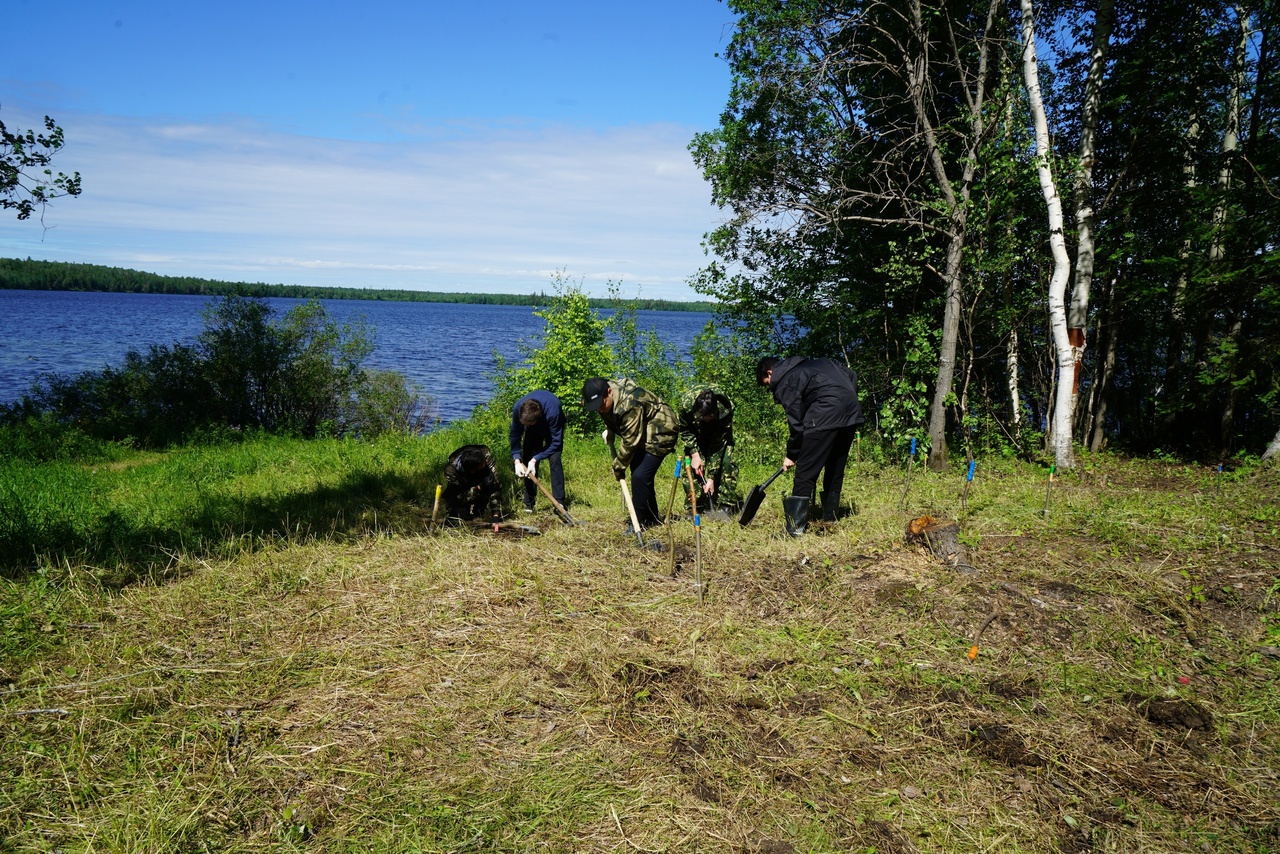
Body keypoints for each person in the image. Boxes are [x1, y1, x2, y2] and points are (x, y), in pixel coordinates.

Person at [756, 356, 864, 536]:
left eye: (768, 383)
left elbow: (796, 425)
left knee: (805, 472)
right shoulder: (817, 363)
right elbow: (851, 375)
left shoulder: (786, 379)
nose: (771, 387)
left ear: (769, 372)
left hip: (825, 414)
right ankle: (830, 518)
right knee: (835, 465)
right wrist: (842, 401)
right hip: (851, 412)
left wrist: (792, 454)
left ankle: (794, 529)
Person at [582, 376, 677, 531]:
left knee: (640, 475)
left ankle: (638, 522)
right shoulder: (605, 399)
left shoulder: (629, 403)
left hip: (662, 429)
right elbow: (611, 416)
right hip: (642, 428)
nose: (599, 409)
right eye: (595, 407)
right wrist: (611, 430)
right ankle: (651, 518)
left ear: (609, 392)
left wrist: (618, 466)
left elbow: (630, 441)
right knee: (639, 473)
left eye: (601, 404)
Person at [676, 387, 740, 514]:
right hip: (695, 434)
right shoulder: (685, 406)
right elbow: (685, 431)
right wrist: (695, 454)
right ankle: (695, 505)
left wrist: (711, 477)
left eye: (710, 416)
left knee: (727, 461)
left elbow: (718, 446)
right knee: (691, 467)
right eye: (703, 416)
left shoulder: (725, 408)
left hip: (718, 435)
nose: (707, 419)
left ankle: (725, 504)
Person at [508, 390, 566, 512]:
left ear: (537, 419)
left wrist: (536, 459)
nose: (526, 426)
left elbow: (556, 442)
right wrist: (517, 460)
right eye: (525, 424)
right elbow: (515, 435)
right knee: (528, 457)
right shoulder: (518, 409)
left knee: (555, 460)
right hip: (534, 427)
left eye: (529, 424)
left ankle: (559, 502)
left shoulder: (553, 412)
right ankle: (529, 503)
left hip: (551, 430)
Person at [442, 444, 503, 523]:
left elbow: (496, 486)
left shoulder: (486, 456)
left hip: (477, 479)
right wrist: (476, 490)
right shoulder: (451, 472)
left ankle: (480, 510)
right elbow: (459, 495)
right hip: (460, 490)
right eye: (482, 465)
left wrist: (496, 514)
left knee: (481, 513)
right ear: (473, 471)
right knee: (459, 518)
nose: (485, 463)